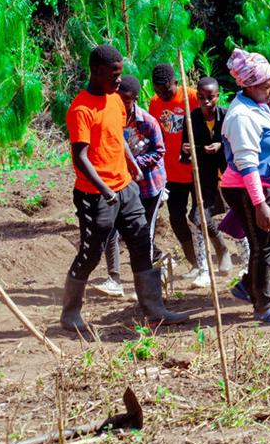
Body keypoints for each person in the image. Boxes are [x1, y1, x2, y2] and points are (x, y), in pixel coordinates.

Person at [61, 45, 186, 333]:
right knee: (91, 252)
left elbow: (117, 137)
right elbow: (80, 156)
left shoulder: (115, 101)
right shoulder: (81, 109)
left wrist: (133, 165)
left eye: (120, 74)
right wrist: (104, 189)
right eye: (114, 75)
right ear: (96, 71)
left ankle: (154, 309)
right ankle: (70, 313)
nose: (119, 80)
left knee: (142, 242)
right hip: (95, 194)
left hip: (126, 187)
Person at [221, 49, 270, 323]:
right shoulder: (241, 116)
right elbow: (247, 164)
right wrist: (259, 204)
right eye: (267, 87)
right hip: (251, 188)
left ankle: (248, 284)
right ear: (249, 86)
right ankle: (263, 306)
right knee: (263, 245)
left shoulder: (258, 105)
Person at [95, 75, 168, 297]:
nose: (121, 104)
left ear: (134, 99)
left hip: (148, 186)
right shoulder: (110, 118)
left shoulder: (147, 122)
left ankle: (151, 274)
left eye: (125, 100)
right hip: (120, 185)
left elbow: (159, 151)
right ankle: (114, 279)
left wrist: (133, 164)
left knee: (144, 233)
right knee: (112, 230)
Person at [149, 63, 212, 279]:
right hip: (172, 172)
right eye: (158, 91)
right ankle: (194, 261)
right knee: (176, 218)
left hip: (196, 169)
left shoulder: (194, 97)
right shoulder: (155, 103)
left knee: (200, 216)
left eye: (166, 90)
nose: (162, 95)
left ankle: (217, 255)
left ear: (175, 82)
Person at [180, 77, 233, 279]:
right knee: (197, 217)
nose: (206, 102)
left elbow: (234, 143)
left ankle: (247, 263)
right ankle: (217, 253)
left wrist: (220, 144)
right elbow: (185, 153)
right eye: (201, 98)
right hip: (204, 175)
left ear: (218, 96)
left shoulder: (226, 116)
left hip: (228, 174)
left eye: (210, 97)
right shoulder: (191, 119)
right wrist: (187, 150)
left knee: (238, 215)